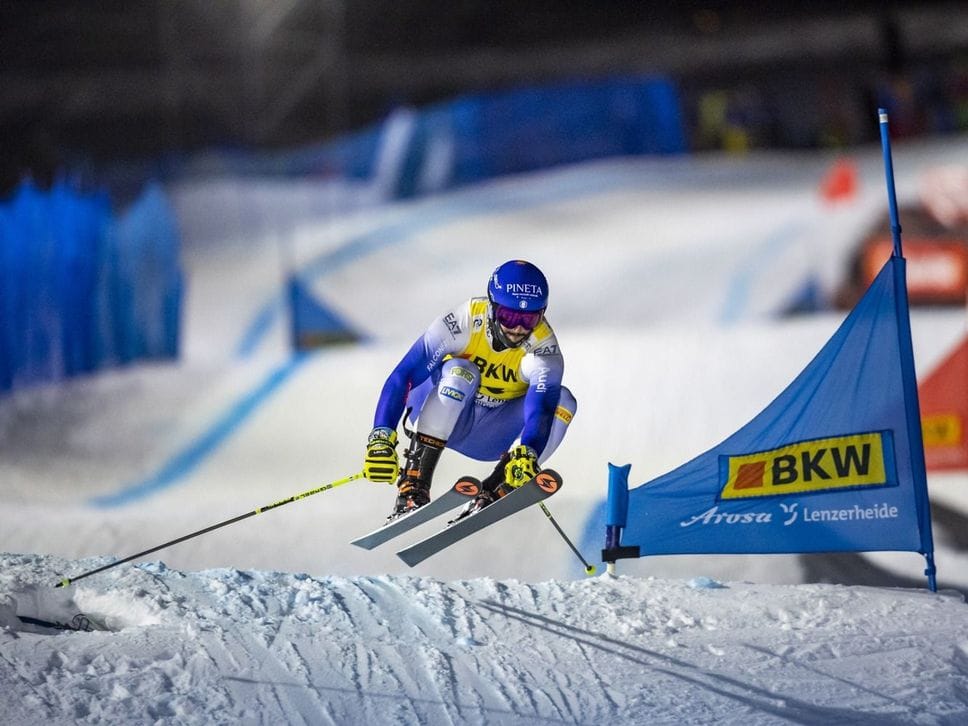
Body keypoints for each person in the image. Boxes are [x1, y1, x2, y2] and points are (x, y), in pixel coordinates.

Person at [363, 259, 577, 521]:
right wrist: (382, 435)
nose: (518, 329)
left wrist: (528, 451)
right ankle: (414, 482)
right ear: (492, 307)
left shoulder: (544, 349)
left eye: (529, 318)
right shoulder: (463, 321)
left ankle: (498, 487)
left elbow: (541, 411)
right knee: (461, 371)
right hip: (444, 415)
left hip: (493, 434)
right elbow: (403, 375)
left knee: (564, 401)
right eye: (508, 316)